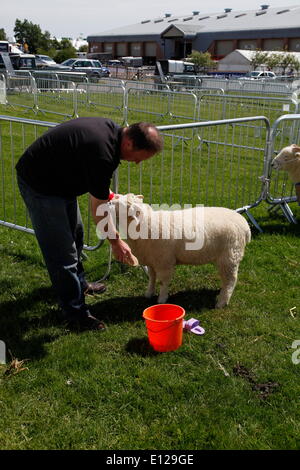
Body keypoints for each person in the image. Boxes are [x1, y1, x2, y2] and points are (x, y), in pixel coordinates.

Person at [16, 118, 163, 330]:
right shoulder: (102, 151)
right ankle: (75, 313)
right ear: (130, 144)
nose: (138, 163)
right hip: (40, 186)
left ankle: (80, 285)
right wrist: (116, 242)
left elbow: (97, 189)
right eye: (139, 158)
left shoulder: (112, 135)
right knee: (62, 253)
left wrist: (108, 195)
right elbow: (99, 211)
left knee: (76, 235)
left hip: (60, 184)